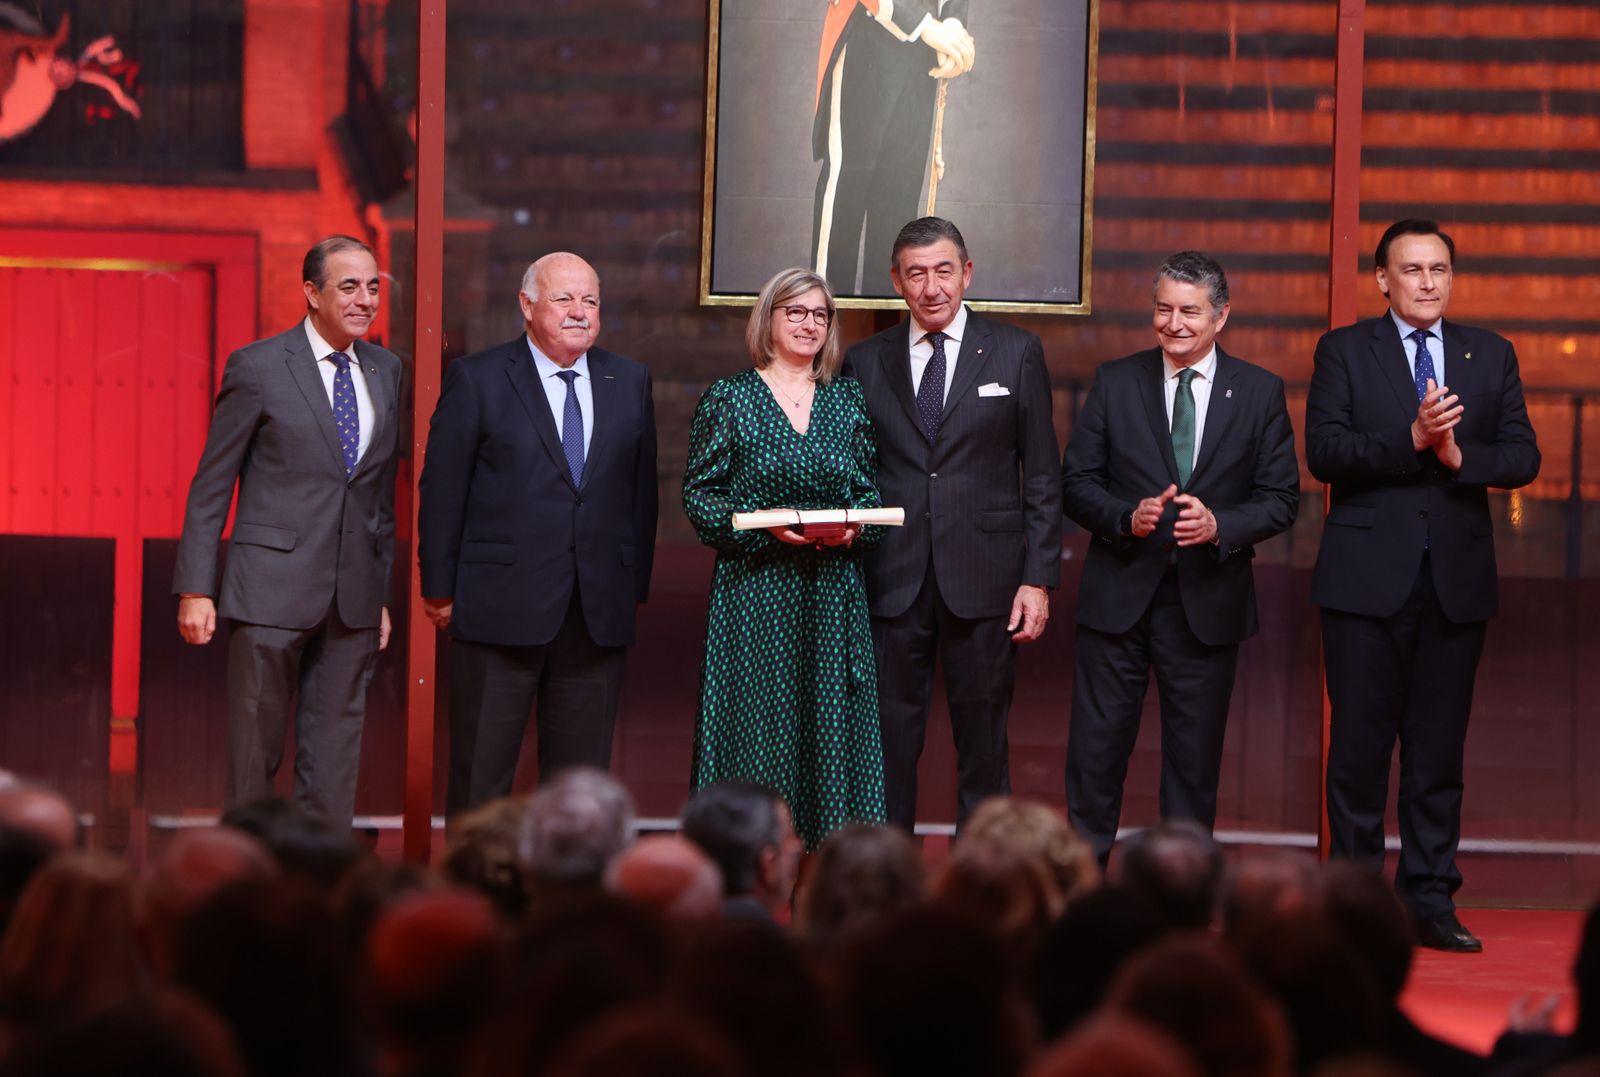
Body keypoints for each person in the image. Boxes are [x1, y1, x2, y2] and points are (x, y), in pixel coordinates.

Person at [1306, 218, 1541, 953]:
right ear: (1382, 279)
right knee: (1358, 753)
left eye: (1439, 269)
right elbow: (1325, 452)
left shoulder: (1490, 352)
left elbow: (1524, 456)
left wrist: (1460, 457)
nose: (1428, 282)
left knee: (1438, 756)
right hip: (1364, 583)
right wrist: (1410, 440)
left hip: (1455, 583)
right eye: (1412, 269)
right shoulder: (1344, 350)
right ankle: (1352, 905)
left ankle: (1430, 900)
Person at [1060, 251, 1299, 867]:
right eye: (1163, 309)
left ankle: (1181, 891)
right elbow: (1076, 483)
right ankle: (1082, 887)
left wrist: (1222, 525)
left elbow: (1281, 499)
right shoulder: (1116, 381)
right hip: (1118, 600)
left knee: (1193, 767)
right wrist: (1125, 517)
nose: (1174, 324)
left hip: (1206, 603)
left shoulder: (1259, 392)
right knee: (1095, 757)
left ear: (1221, 316)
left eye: (1190, 311)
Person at [172, 236, 402, 832]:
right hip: (269, 590)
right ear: (311, 293)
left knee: (333, 766)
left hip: (351, 600)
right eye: (349, 286)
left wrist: (378, 594)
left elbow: (377, 498)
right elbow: (212, 484)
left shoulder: (387, 369)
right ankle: (244, 875)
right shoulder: (258, 366)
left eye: (372, 286)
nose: (365, 299)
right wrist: (196, 588)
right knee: (254, 759)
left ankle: (317, 877)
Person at [418, 253, 659, 817]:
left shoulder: (629, 379)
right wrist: (439, 588)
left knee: (581, 790)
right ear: (527, 306)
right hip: (496, 606)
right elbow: (444, 488)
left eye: (590, 301)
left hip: (595, 613)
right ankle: (474, 877)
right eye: (564, 299)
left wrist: (633, 588)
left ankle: (568, 877)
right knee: (481, 776)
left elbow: (640, 494)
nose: (580, 312)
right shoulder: (478, 377)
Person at [846, 216, 1061, 832]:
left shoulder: (1017, 352)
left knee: (984, 743)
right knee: (886, 745)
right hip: (891, 576)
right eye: (916, 274)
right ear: (896, 282)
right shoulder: (865, 360)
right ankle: (888, 873)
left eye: (943, 271)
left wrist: (1038, 578)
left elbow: (1042, 476)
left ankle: (983, 874)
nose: (931, 287)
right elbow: (853, 470)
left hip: (986, 578)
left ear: (967, 273)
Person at [682, 266, 886, 850]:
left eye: (820, 314)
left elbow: (867, 496)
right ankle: (748, 861)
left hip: (831, 595)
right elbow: (700, 497)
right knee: (756, 732)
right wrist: (762, 528)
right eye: (795, 311)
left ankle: (826, 877)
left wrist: (853, 530)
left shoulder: (846, 400)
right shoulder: (730, 397)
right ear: (768, 318)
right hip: (755, 593)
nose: (808, 324)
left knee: (829, 737)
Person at [811, 2, 975, 296]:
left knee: (898, 206)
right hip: (867, 33)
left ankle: (883, 321)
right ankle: (825, 317)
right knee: (846, 197)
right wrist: (925, 24)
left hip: (925, 50)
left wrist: (953, 23)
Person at [679, 781, 803, 921]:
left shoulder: (671, 931)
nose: (798, 846)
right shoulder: (769, 934)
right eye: (788, 838)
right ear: (769, 863)